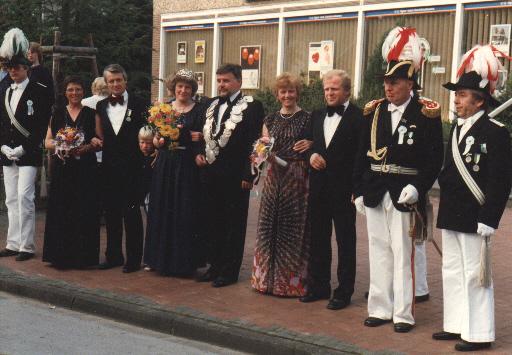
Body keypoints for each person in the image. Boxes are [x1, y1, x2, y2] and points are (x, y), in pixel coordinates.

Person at [353, 27, 443, 332]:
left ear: (410, 84)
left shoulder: (425, 114)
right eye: (386, 83)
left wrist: (418, 188)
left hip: (404, 191)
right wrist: (358, 191)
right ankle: (380, 308)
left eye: (395, 83)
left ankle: (404, 313)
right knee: (377, 250)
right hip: (376, 189)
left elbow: (434, 160)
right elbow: (362, 154)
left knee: (403, 254)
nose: (388, 88)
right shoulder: (373, 112)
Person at [433, 45, 512, 352]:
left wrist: (490, 218)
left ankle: (478, 333)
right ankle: (456, 324)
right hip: (452, 210)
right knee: (451, 270)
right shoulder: (458, 127)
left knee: (476, 275)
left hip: (476, 214)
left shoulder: (495, 132)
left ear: (479, 100)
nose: (457, 100)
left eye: (463, 95)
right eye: (456, 95)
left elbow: (501, 179)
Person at [298, 70, 363, 309]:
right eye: (326, 89)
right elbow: (305, 144)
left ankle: (344, 292)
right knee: (318, 238)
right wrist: (311, 154)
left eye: (334, 89)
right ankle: (319, 286)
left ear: (347, 91)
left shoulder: (358, 117)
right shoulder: (316, 115)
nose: (329, 93)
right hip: (318, 187)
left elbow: (360, 156)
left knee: (346, 241)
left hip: (344, 189)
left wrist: (358, 188)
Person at [195, 63, 264, 287]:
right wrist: (198, 154)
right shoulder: (210, 104)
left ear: (238, 82)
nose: (221, 85)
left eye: (226, 81)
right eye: (219, 81)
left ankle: (229, 271)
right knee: (213, 222)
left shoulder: (252, 106)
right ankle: (214, 266)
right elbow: (202, 134)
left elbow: (255, 143)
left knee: (233, 224)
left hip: (236, 176)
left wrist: (249, 174)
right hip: (211, 174)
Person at [251, 73, 312, 297]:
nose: (287, 95)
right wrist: (261, 156)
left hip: (296, 177)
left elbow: (313, 143)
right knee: (269, 225)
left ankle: (290, 284)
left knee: (292, 228)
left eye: (291, 91)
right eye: (283, 92)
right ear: (277, 95)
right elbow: (263, 146)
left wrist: (312, 143)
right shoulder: (269, 119)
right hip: (274, 176)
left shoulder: (307, 118)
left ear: (297, 93)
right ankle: (265, 281)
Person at [144, 69, 206, 276]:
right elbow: (154, 138)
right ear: (174, 87)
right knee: (162, 207)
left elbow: (203, 137)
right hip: (165, 163)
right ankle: (158, 259)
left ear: (192, 90)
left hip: (187, 164)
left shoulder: (199, 110)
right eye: (180, 86)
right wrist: (157, 141)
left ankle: (183, 262)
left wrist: (196, 139)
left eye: (188, 87)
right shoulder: (164, 108)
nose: (183, 90)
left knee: (184, 210)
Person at [0, 28, 52, 261]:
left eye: (17, 68)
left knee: (24, 197)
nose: (13, 72)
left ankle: (27, 246)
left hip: (27, 153)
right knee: (10, 198)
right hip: (6, 152)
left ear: (26, 69)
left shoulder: (38, 91)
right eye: (10, 68)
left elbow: (41, 126)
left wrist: (25, 147)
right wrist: (2, 146)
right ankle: (12, 242)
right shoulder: (4, 90)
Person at [42, 76, 102, 269]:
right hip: (63, 168)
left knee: (84, 211)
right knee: (63, 210)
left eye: (77, 89)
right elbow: (47, 141)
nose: (74, 93)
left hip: (86, 169)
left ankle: (83, 258)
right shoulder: (57, 113)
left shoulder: (92, 113)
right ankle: (61, 257)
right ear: (65, 93)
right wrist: (61, 145)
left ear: (83, 92)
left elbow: (100, 140)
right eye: (70, 90)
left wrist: (90, 145)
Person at [96, 64, 146, 273]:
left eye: (118, 80)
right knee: (112, 214)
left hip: (133, 168)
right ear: (106, 84)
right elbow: (100, 136)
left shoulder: (141, 103)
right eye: (111, 81)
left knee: (132, 214)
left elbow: (147, 134)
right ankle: (114, 256)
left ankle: (134, 260)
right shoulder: (100, 106)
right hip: (109, 167)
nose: (115, 84)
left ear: (125, 81)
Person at [138, 126, 155, 215]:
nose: (145, 146)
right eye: (142, 142)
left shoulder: (155, 158)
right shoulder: (137, 157)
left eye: (148, 143)